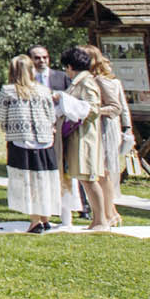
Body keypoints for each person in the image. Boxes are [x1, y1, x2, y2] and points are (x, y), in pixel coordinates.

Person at [0, 54, 60, 231]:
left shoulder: (8, 90)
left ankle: (35, 220)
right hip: (44, 139)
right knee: (44, 178)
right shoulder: (43, 90)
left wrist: (7, 128)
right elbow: (51, 115)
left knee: (28, 180)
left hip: (21, 139)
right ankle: (45, 216)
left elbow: (2, 116)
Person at [64, 46, 119, 232]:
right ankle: (98, 219)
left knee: (89, 178)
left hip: (85, 136)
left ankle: (101, 220)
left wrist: (71, 107)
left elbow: (93, 108)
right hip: (79, 135)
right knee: (85, 178)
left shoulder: (86, 82)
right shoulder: (79, 81)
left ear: (70, 66)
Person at [91, 50, 133, 229]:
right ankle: (112, 212)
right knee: (106, 172)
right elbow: (123, 107)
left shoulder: (102, 81)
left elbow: (118, 107)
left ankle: (109, 213)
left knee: (105, 172)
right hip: (112, 127)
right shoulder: (112, 81)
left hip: (106, 127)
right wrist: (127, 127)